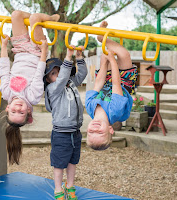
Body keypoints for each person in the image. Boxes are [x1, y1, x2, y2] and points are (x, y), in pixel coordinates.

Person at [0, 10, 59, 165]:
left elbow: (4, 69)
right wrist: (44, 51)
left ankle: (45, 17)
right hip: (37, 52)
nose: (18, 108)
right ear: (28, 111)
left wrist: (4, 46)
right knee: (34, 18)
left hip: (19, 50)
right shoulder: (32, 97)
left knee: (16, 15)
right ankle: (51, 17)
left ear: (8, 108)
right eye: (21, 112)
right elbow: (39, 72)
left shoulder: (6, 92)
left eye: (14, 111)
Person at [85, 21, 137, 151]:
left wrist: (104, 63)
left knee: (105, 53)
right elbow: (116, 83)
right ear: (110, 130)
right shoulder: (115, 111)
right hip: (123, 84)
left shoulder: (90, 107)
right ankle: (103, 38)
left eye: (91, 132)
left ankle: (102, 38)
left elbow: (97, 84)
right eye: (100, 132)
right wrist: (112, 60)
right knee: (124, 55)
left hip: (105, 81)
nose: (95, 129)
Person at [44, 45, 87, 200]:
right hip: (61, 133)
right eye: (53, 73)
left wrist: (79, 56)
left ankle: (69, 186)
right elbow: (62, 78)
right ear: (48, 79)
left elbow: (82, 74)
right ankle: (58, 189)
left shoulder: (71, 82)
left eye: (59, 70)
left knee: (72, 161)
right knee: (59, 163)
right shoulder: (52, 89)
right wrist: (68, 58)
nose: (58, 75)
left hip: (75, 131)